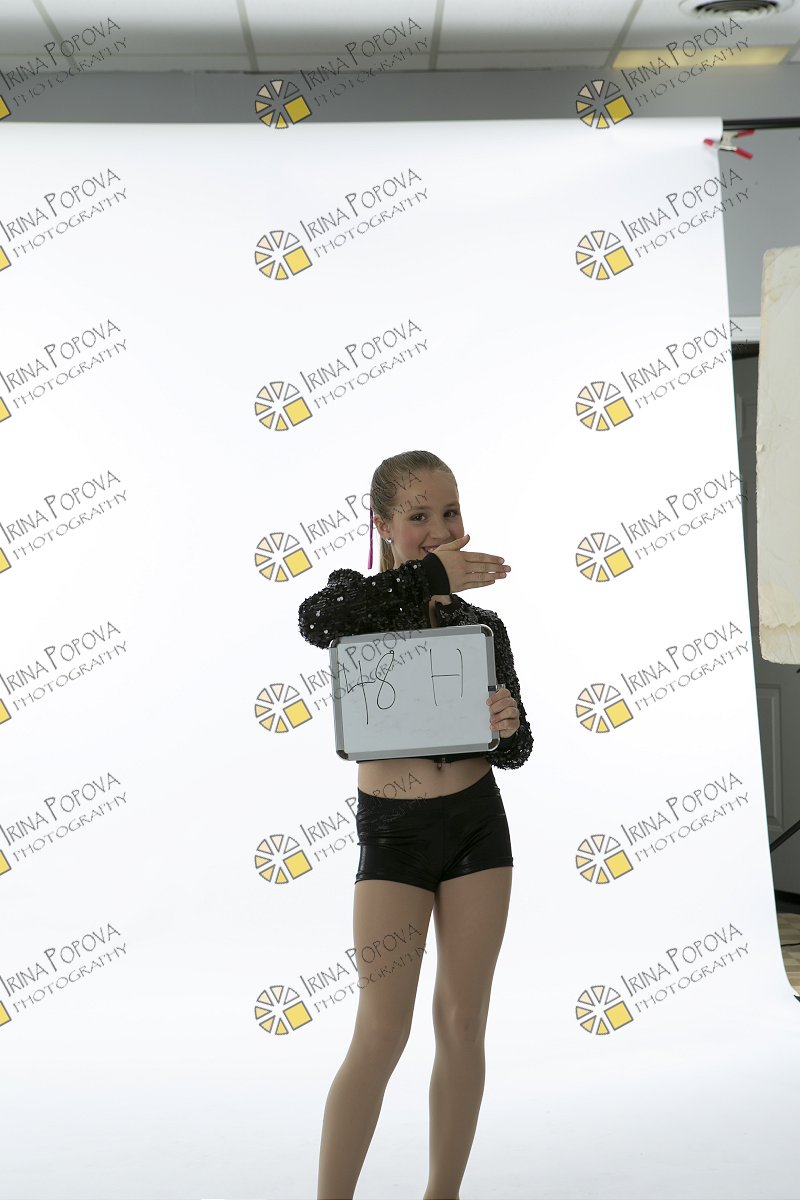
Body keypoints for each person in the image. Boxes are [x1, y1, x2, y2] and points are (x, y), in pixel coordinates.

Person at [297, 450, 533, 1200]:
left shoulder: (481, 624)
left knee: (463, 1021)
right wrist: (432, 574)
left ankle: (443, 1195)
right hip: (394, 832)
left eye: (450, 512)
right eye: (419, 515)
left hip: (477, 828)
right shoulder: (358, 602)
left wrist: (507, 723)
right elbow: (316, 622)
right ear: (383, 524)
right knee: (382, 1029)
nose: (440, 528)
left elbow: (517, 749)